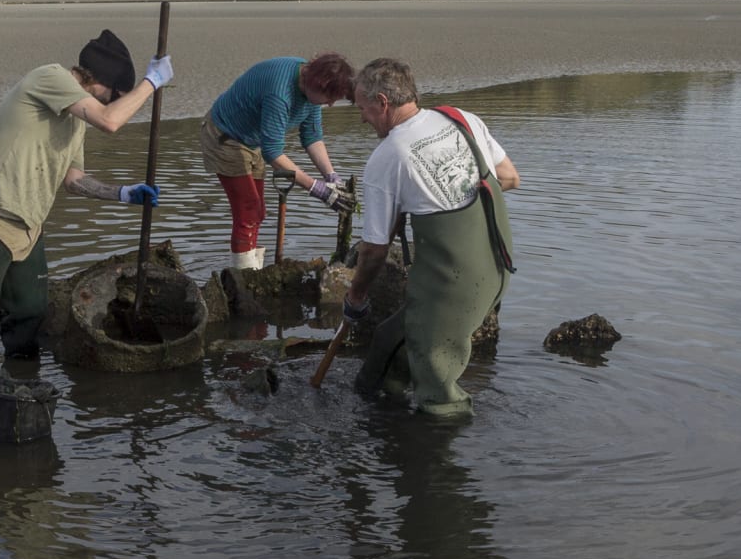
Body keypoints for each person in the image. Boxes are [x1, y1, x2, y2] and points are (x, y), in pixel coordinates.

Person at [0, 29, 174, 370]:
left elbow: (74, 181)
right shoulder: (51, 77)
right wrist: (152, 82)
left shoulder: (76, 120)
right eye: (113, 94)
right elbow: (111, 120)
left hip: (29, 226)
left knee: (30, 311)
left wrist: (121, 194)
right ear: (100, 80)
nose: (110, 102)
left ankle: (19, 379)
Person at [341, 57, 521, 417]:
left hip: (454, 284)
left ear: (382, 102)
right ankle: (378, 414)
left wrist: (357, 295)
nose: (361, 117)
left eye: (362, 108)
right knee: (389, 343)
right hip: (497, 269)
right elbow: (510, 178)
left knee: (436, 388)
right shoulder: (460, 118)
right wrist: (437, 195)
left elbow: (375, 251)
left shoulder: (388, 156)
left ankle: (438, 459)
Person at [200, 52, 356, 269]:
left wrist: (331, 177)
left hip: (251, 140)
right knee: (248, 209)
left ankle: (250, 268)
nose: (330, 105)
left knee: (258, 211)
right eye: (329, 98)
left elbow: (312, 136)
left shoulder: (310, 84)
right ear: (316, 85)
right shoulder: (280, 94)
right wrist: (317, 189)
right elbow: (273, 153)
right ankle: (244, 278)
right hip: (225, 137)